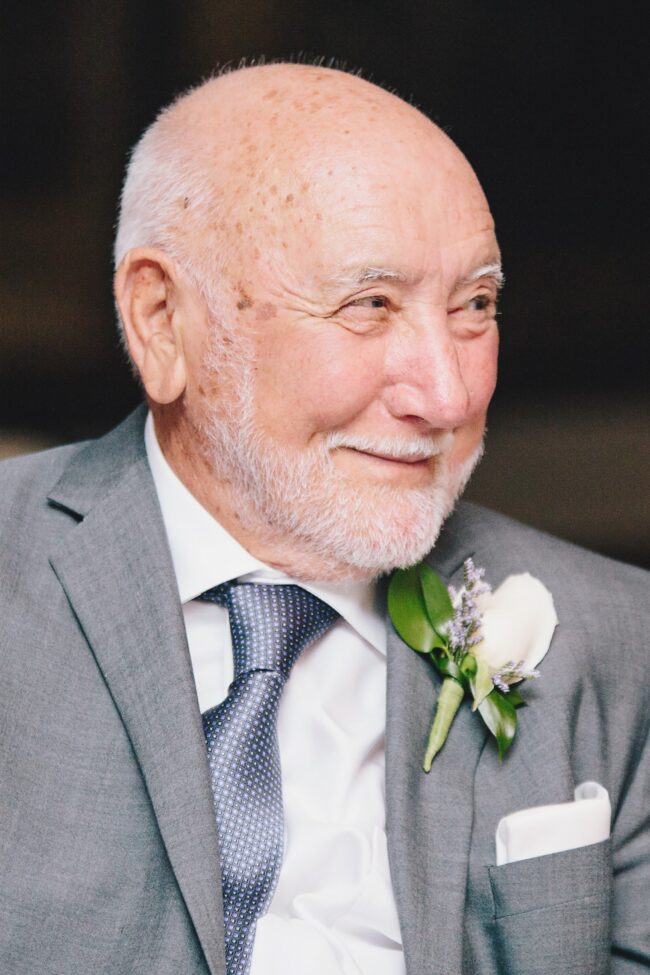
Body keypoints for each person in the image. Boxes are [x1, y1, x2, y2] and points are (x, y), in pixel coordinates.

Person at [0, 62, 647, 975]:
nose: (446, 395)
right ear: (162, 321)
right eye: (369, 306)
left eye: (475, 306)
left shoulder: (622, 644)